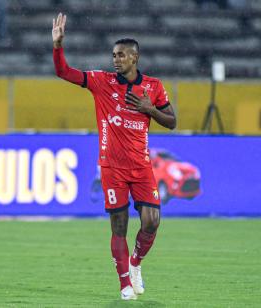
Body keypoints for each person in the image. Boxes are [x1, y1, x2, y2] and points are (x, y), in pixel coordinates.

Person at [52, 13, 176, 300]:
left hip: (142, 166)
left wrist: (151, 110)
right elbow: (64, 72)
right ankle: (124, 285)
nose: (115, 59)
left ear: (135, 58)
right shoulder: (101, 82)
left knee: (152, 221)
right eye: (113, 55)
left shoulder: (154, 87)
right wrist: (58, 46)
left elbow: (172, 122)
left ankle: (135, 264)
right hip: (112, 168)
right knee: (118, 226)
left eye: (121, 55)